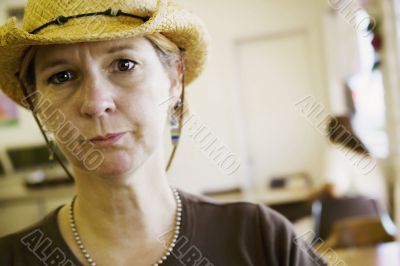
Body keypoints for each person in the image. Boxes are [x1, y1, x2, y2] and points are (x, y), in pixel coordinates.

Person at [0, 0, 326, 265]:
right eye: (63, 76)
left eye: (124, 65)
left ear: (173, 79)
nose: (96, 103)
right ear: (37, 103)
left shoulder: (259, 240)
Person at [324, 116, 388, 209]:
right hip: (379, 213)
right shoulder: (363, 152)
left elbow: (336, 191)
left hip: (360, 212)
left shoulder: (336, 151)